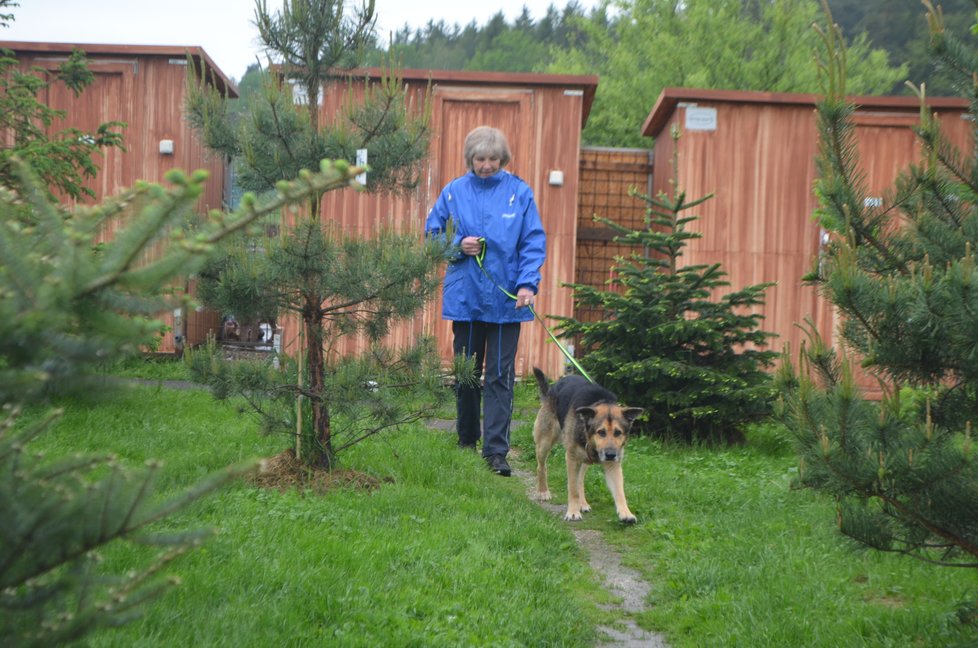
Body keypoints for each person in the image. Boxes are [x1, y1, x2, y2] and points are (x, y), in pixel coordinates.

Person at [425, 126, 547, 476]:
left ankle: (496, 452)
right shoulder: (453, 192)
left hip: (507, 303)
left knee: (498, 375)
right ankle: (466, 441)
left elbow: (532, 242)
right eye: (480, 158)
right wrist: (457, 246)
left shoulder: (519, 194)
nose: (487, 165)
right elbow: (432, 236)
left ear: (503, 159)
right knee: (466, 375)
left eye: (493, 158)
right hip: (466, 299)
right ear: (470, 159)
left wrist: (527, 285)